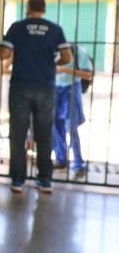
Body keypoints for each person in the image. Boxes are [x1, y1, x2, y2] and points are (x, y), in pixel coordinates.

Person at [0, 0, 71, 195]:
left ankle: (17, 181)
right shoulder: (55, 29)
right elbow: (67, 57)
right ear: (44, 10)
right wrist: (49, 64)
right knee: (44, 134)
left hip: (21, 87)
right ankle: (45, 180)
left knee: (18, 134)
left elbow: (4, 54)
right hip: (45, 87)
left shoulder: (17, 27)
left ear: (28, 8)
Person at [53, 44, 93, 179]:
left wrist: (65, 70)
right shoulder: (51, 50)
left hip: (71, 89)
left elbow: (88, 75)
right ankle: (61, 159)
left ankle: (78, 163)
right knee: (56, 126)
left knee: (71, 127)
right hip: (54, 89)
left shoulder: (78, 52)